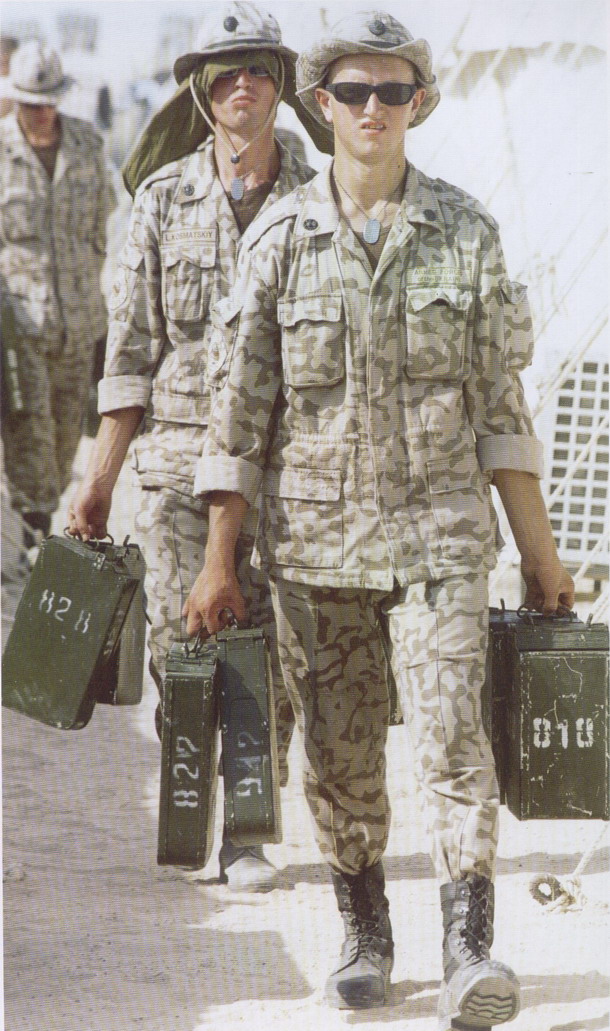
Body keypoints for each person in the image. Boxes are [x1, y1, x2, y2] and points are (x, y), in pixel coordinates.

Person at [184, 10, 575, 1027]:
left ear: (418, 103)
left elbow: (501, 411)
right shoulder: (279, 242)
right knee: (340, 759)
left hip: (441, 545)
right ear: (322, 104)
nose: (372, 108)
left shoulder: (466, 233)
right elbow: (238, 420)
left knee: (453, 740)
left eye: (391, 91)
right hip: (315, 556)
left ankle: (468, 947)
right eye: (353, 91)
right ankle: (365, 933)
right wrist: (217, 561)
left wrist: (540, 555)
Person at [68, 2, 324, 893]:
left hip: (286, 468)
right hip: (177, 465)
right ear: (202, 91)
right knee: (185, 648)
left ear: (280, 85)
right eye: (225, 72)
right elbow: (129, 355)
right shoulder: (160, 200)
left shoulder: (318, 202)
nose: (241, 83)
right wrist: (99, 480)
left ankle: (247, 831)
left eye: (257, 68)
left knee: (269, 652)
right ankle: (191, 813)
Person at [0, 40, 116, 548]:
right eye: (31, 103)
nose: (41, 113)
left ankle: (38, 530)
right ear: (15, 98)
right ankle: (31, 541)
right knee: (30, 437)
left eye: (48, 102)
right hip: (20, 328)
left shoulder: (87, 144)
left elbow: (102, 224)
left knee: (67, 438)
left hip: (79, 322)